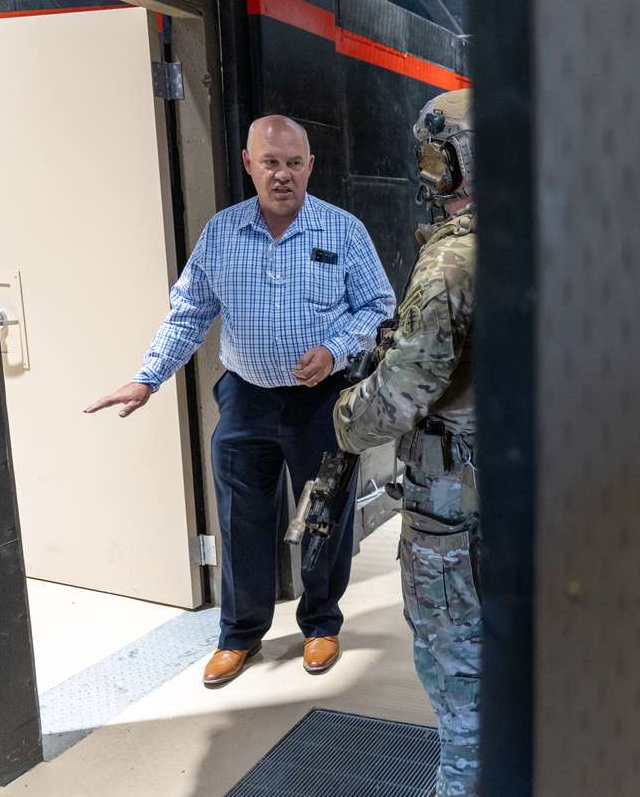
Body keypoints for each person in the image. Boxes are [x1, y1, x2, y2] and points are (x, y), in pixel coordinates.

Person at [85, 115, 395, 686]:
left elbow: (378, 305)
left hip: (322, 405)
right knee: (241, 519)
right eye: (271, 162)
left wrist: (334, 348)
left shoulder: (343, 231)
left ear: (310, 166)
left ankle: (321, 623)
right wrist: (148, 378)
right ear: (248, 164)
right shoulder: (222, 234)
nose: (283, 175)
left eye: (294, 163)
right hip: (246, 403)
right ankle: (240, 636)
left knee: (323, 515)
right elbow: (190, 313)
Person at [332, 89, 478, 796]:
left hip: (455, 517)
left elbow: (399, 396)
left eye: (434, 153)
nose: (426, 171)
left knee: (463, 702)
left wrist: (345, 414)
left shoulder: (451, 262)